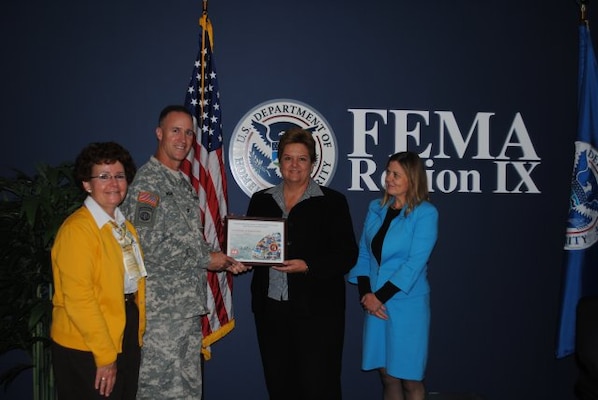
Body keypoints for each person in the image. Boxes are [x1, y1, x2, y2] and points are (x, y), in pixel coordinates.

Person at [120, 104, 247, 399]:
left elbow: (190, 242)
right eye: (175, 130)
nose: (183, 138)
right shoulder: (147, 185)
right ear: (159, 133)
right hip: (162, 315)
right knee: (158, 392)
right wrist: (207, 259)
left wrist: (225, 259)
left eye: (188, 132)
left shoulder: (181, 183)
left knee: (186, 392)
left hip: (186, 310)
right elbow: (147, 245)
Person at [246, 127, 359, 400]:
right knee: (279, 385)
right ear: (279, 161)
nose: (294, 165)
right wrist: (241, 259)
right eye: (288, 158)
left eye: (302, 158)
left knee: (319, 387)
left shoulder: (333, 202)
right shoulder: (261, 201)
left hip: (318, 314)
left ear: (313, 163)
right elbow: (250, 248)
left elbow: (347, 254)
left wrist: (308, 265)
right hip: (271, 310)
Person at [51, 141, 146, 400]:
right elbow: (80, 299)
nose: (113, 184)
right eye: (103, 176)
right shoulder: (77, 231)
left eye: (119, 176)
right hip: (87, 343)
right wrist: (105, 357)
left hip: (122, 330)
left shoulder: (123, 227)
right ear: (86, 183)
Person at [348, 151, 438, 400]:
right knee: (387, 376)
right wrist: (367, 294)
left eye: (396, 174)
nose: (389, 178)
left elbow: (414, 264)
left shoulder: (426, 213)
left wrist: (380, 297)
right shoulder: (376, 207)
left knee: (410, 380)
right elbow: (364, 254)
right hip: (375, 305)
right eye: (388, 172)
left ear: (412, 178)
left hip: (406, 305)